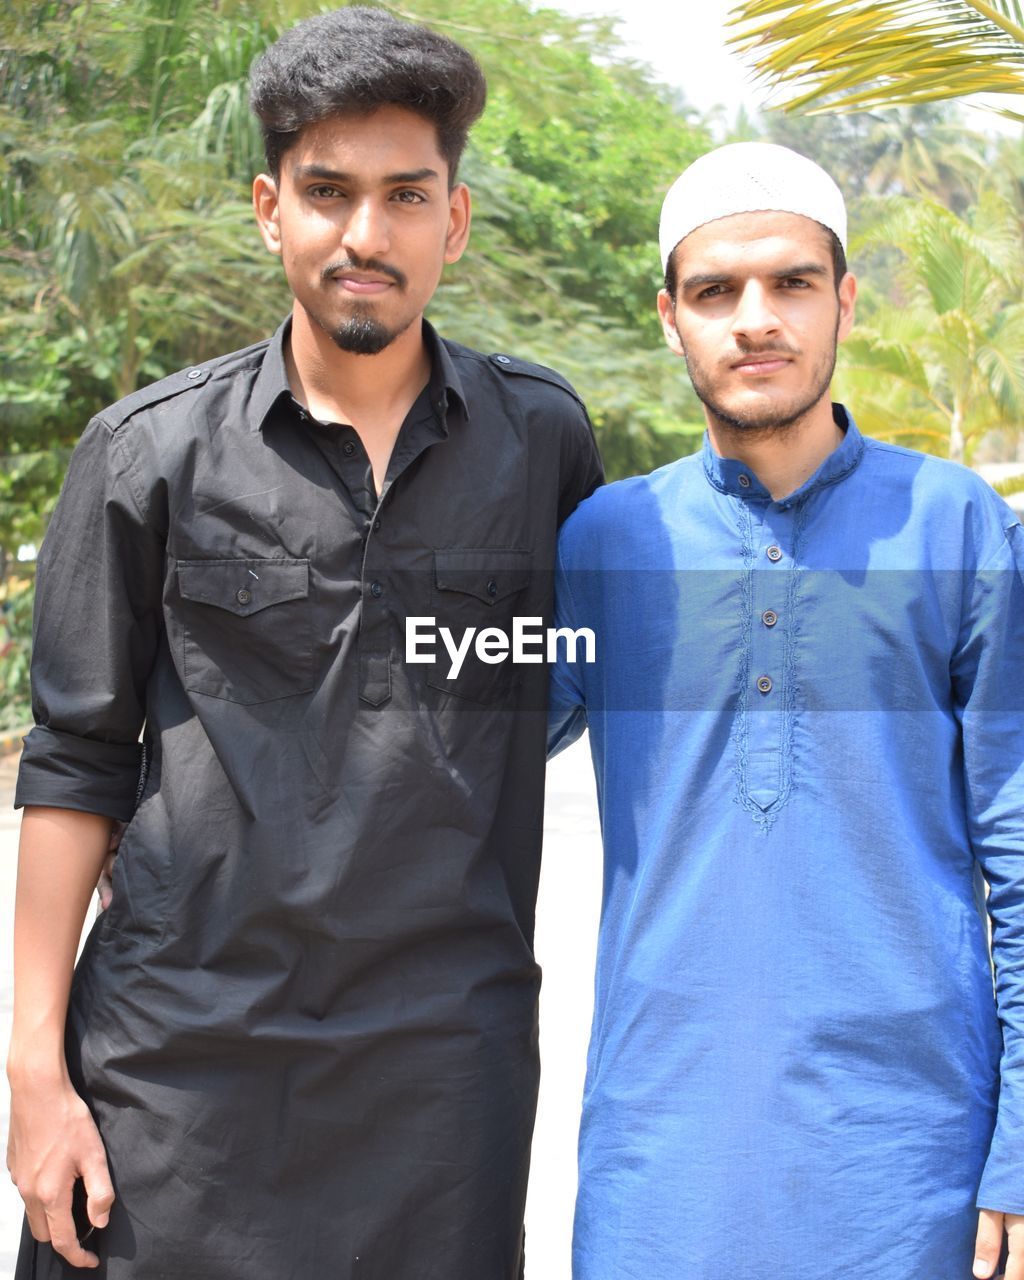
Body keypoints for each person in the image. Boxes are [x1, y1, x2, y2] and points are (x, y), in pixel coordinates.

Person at [7, 8, 602, 1278]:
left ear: (455, 219)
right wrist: (34, 1077)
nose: (364, 236)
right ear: (271, 207)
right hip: (177, 1062)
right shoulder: (147, 451)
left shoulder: (541, 441)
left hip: (446, 1068)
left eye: (404, 195)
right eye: (329, 193)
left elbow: (557, 683)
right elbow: (73, 759)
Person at [549, 141, 1024, 1280]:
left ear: (844, 301)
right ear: (671, 318)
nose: (753, 318)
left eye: (791, 283)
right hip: (660, 1150)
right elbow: (452, 753)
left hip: (908, 1158)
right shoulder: (607, 541)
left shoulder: (958, 528)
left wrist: (1017, 1146)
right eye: (715, 290)